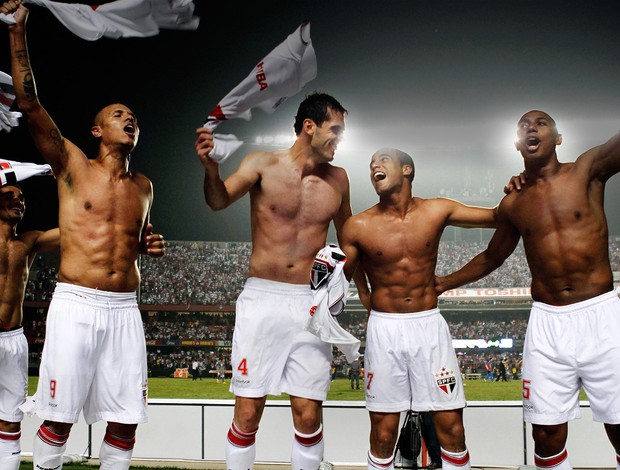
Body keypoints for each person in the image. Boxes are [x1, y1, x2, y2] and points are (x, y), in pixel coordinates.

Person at [2, 2, 166, 469]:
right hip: (76, 303)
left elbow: (137, 239)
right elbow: (30, 102)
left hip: (123, 310)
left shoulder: (145, 187)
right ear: (97, 130)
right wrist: (17, 32)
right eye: (118, 114)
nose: (129, 118)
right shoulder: (72, 166)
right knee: (58, 417)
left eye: (133, 115)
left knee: (126, 419)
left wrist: (149, 245)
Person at [435, 109, 620, 470]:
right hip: (548, 323)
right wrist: (442, 283)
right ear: (518, 143)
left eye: (541, 123)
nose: (530, 128)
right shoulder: (514, 202)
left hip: (601, 315)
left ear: (559, 138)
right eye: (523, 126)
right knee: (546, 436)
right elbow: (492, 257)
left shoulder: (586, 170)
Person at [195, 92, 357, 470]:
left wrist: (340, 280)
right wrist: (211, 169)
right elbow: (218, 201)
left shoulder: (339, 179)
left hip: (310, 303)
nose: (340, 140)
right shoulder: (261, 163)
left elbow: (350, 239)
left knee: (308, 416)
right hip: (263, 298)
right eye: (335, 130)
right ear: (308, 127)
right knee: (248, 414)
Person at [339, 148, 498, 470]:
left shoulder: (436, 210)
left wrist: (519, 190)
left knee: (452, 428)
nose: (374, 167)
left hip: (428, 326)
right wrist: (362, 290)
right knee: (383, 434)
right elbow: (344, 268)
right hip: (384, 329)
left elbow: (497, 217)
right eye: (371, 165)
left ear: (407, 170)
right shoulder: (358, 225)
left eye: (383, 160)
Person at [0, 182, 59, 470]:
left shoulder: (29, 241)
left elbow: (76, 230)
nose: (18, 201)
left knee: (11, 418)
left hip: (14, 339)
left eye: (22, 197)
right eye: (8, 196)